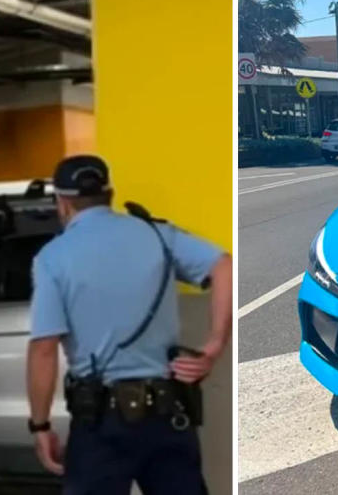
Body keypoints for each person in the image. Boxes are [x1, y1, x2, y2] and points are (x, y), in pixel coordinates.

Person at [26, 155, 232, 495]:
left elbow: (44, 349)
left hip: (99, 423)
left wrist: (40, 425)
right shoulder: (158, 234)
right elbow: (222, 265)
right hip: (169, 413)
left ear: (63, 203)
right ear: (110, 193)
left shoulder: (52, 257)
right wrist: (213, 347)